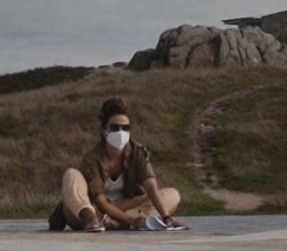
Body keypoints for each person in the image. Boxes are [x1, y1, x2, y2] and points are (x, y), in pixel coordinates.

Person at [49, 97, 185, 231]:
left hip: (123, 208)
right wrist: (130, 220)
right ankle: (94, 220)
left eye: (126, 128)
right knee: (71, 174)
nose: (121, 132)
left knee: (172, 195)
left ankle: (125, 223)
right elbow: (101, 201)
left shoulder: (137, 152)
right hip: (92, 209)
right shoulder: (92, 158)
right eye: (115, 128)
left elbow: (151, 188)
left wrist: (166, 217)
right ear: (104, 130)